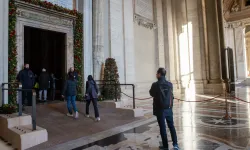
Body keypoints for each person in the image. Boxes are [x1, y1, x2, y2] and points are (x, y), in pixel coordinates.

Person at [149, 68, 179, 150]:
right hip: (169, 109)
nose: (156, 75)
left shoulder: (155, 84)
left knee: (163, 128)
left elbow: (151, 93)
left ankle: (165, 146)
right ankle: (175, 144)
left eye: (156, 73)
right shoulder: (170, 84)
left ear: (159, 74)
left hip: (160, 109)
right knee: (171, 126)